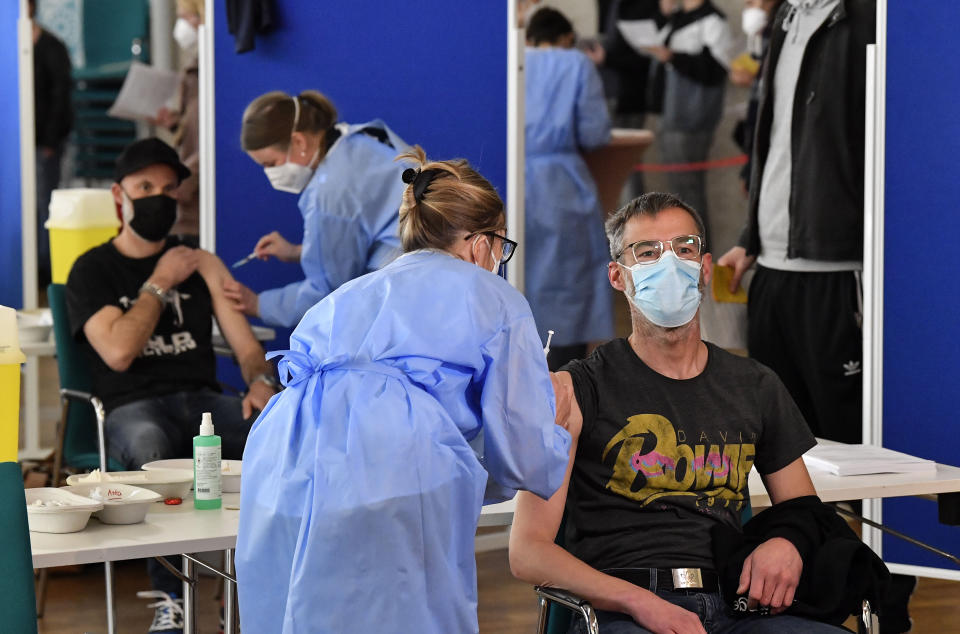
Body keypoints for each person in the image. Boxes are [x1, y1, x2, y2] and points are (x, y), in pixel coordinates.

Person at [236, 147, 572, 634]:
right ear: (482, 241)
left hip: (280, 464)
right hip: (391, 470)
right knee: (401, 613)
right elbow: (523, 459)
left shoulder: (348, 296)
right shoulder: (495, 299)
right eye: (502, 245)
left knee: (300, 612)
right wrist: (555, 424)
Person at [509, 193, 851, 633]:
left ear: (705, 268)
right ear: (618, 276)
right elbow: (527, 551)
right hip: (624, 607)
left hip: (734, 604)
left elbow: (804, 508)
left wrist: (789, 542)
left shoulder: (754, 385)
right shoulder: (578, 389)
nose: (668, 263)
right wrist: (638, 603)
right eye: (647, 252)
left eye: (684, 248)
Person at [715, 3, 917, 630]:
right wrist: (750, 235)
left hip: (842, 274)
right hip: (772, 272)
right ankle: (803, 600)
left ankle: (881, 605)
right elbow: (771, 137)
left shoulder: (871, 17)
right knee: (776, 457)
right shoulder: (788, 17)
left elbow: (890, 141)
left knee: (863, 464)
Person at [65, 138, 279, 634]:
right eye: (145, 187)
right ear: (120, 195)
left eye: (168, 188)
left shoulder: (201, 263)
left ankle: (239, 590)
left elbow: (247, 348)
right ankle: (170, 599)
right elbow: (118, 351)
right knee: (152, 446)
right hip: (129, 405)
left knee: (273, 429)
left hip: (202, 400)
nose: (159, 198)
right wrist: (159, 283)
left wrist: (261, 382)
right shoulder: (92, 270)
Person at [223, 90, 411, 328]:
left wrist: (260, 304)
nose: (270, 174)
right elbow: (374, 230)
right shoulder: (359, 138)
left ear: (299, 141)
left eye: (271, 164)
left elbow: (328, 292)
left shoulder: (329, 194)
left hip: (408, 301)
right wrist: (299, 251)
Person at [525, 8, 614, 370]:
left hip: (506, 180)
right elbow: (594, 132)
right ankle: (565, 377)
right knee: (567, 285)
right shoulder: (576, 64)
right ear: (565, 38)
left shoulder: (510, 61)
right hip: (561, 184)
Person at [647, 0, 733, 235]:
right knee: (676, 194)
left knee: (688, 194)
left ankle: (700, 260)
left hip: (692, 118)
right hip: (669, 115)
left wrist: (675, 58)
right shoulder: (676, 17)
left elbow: (717, 69)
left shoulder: (712, 20)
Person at [30, 0, 73, 287]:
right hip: (18, 146)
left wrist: (49, 141)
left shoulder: (52, 48)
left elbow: (61, 98)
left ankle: (45, 274)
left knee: (45, 205)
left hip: (44, 144)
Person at [154, 0, 204, 237]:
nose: (182, 26)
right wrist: (175, 123)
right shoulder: (195, 68)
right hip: (188, 202)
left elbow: (216, 134)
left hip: (202, 199)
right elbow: (195, 127)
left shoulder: (217, 68)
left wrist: (189, 178)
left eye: (187, 16)